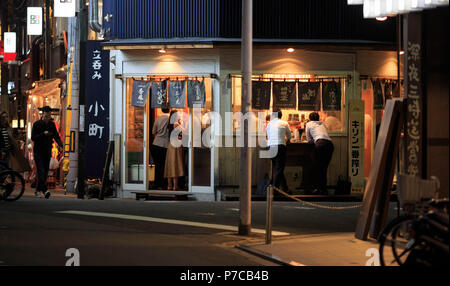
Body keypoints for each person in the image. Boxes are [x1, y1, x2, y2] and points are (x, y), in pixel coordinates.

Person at [31, 106, 63, 199]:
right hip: (38, 150)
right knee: (41, 170)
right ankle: (45, 190)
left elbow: (56, 136)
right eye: (46, 115)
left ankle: (38, 190)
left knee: (45, 172)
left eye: (49, 115)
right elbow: (33, 137)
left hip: (47, 149)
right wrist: (43, 134)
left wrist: (60, 145)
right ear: (43, 114)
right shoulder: (37, 124)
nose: (48, 117)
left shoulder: (51, 125)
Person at [305, 112, 334, 195]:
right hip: (329, 145)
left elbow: (309, 140)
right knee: (324, 168)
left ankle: (316, 189)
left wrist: (312, 140)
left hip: (320, 144)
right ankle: (323, 189)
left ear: (310, 118)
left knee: (316, 167)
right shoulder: (323, 123)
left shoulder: (309, 124)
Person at [266, 109, 292, 193]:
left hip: (271, 147)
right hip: (280, 146)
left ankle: (285, 188)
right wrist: (286, 140)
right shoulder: (284, 123)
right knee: (279, 169)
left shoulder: (269, 124)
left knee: (278, 169)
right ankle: (275, 190)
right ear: (281, 115)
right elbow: (289, 136)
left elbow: (268, 136)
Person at [164, 110, 186, 190]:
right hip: (176, 145)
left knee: (170, 165)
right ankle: (175, 186)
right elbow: (185, 131)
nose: (179, 116)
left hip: (171, 144)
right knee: (175, 165)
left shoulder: (170, 124)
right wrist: (182, 122)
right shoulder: (176, 124)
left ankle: (169, 185)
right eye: (178, 115)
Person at [151, 107, 170, 189]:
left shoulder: (158, 118)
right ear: (169, 110)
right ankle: (164, 184)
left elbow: (153, 132)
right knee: (165, 166)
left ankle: (157, 183)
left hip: (156, 143)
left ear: (161, 110)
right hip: (166, 144)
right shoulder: (170, 119)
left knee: (157, 165)